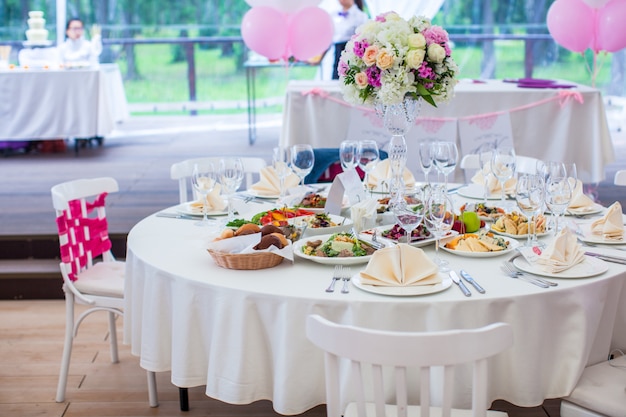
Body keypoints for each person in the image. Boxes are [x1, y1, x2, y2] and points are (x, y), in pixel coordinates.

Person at [323, 0, 368, 80]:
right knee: (335, 82)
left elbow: (363, 40)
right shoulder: (333, 15)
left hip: (352, 54)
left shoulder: (361, 16)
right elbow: (328, 40)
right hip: (337, 54)